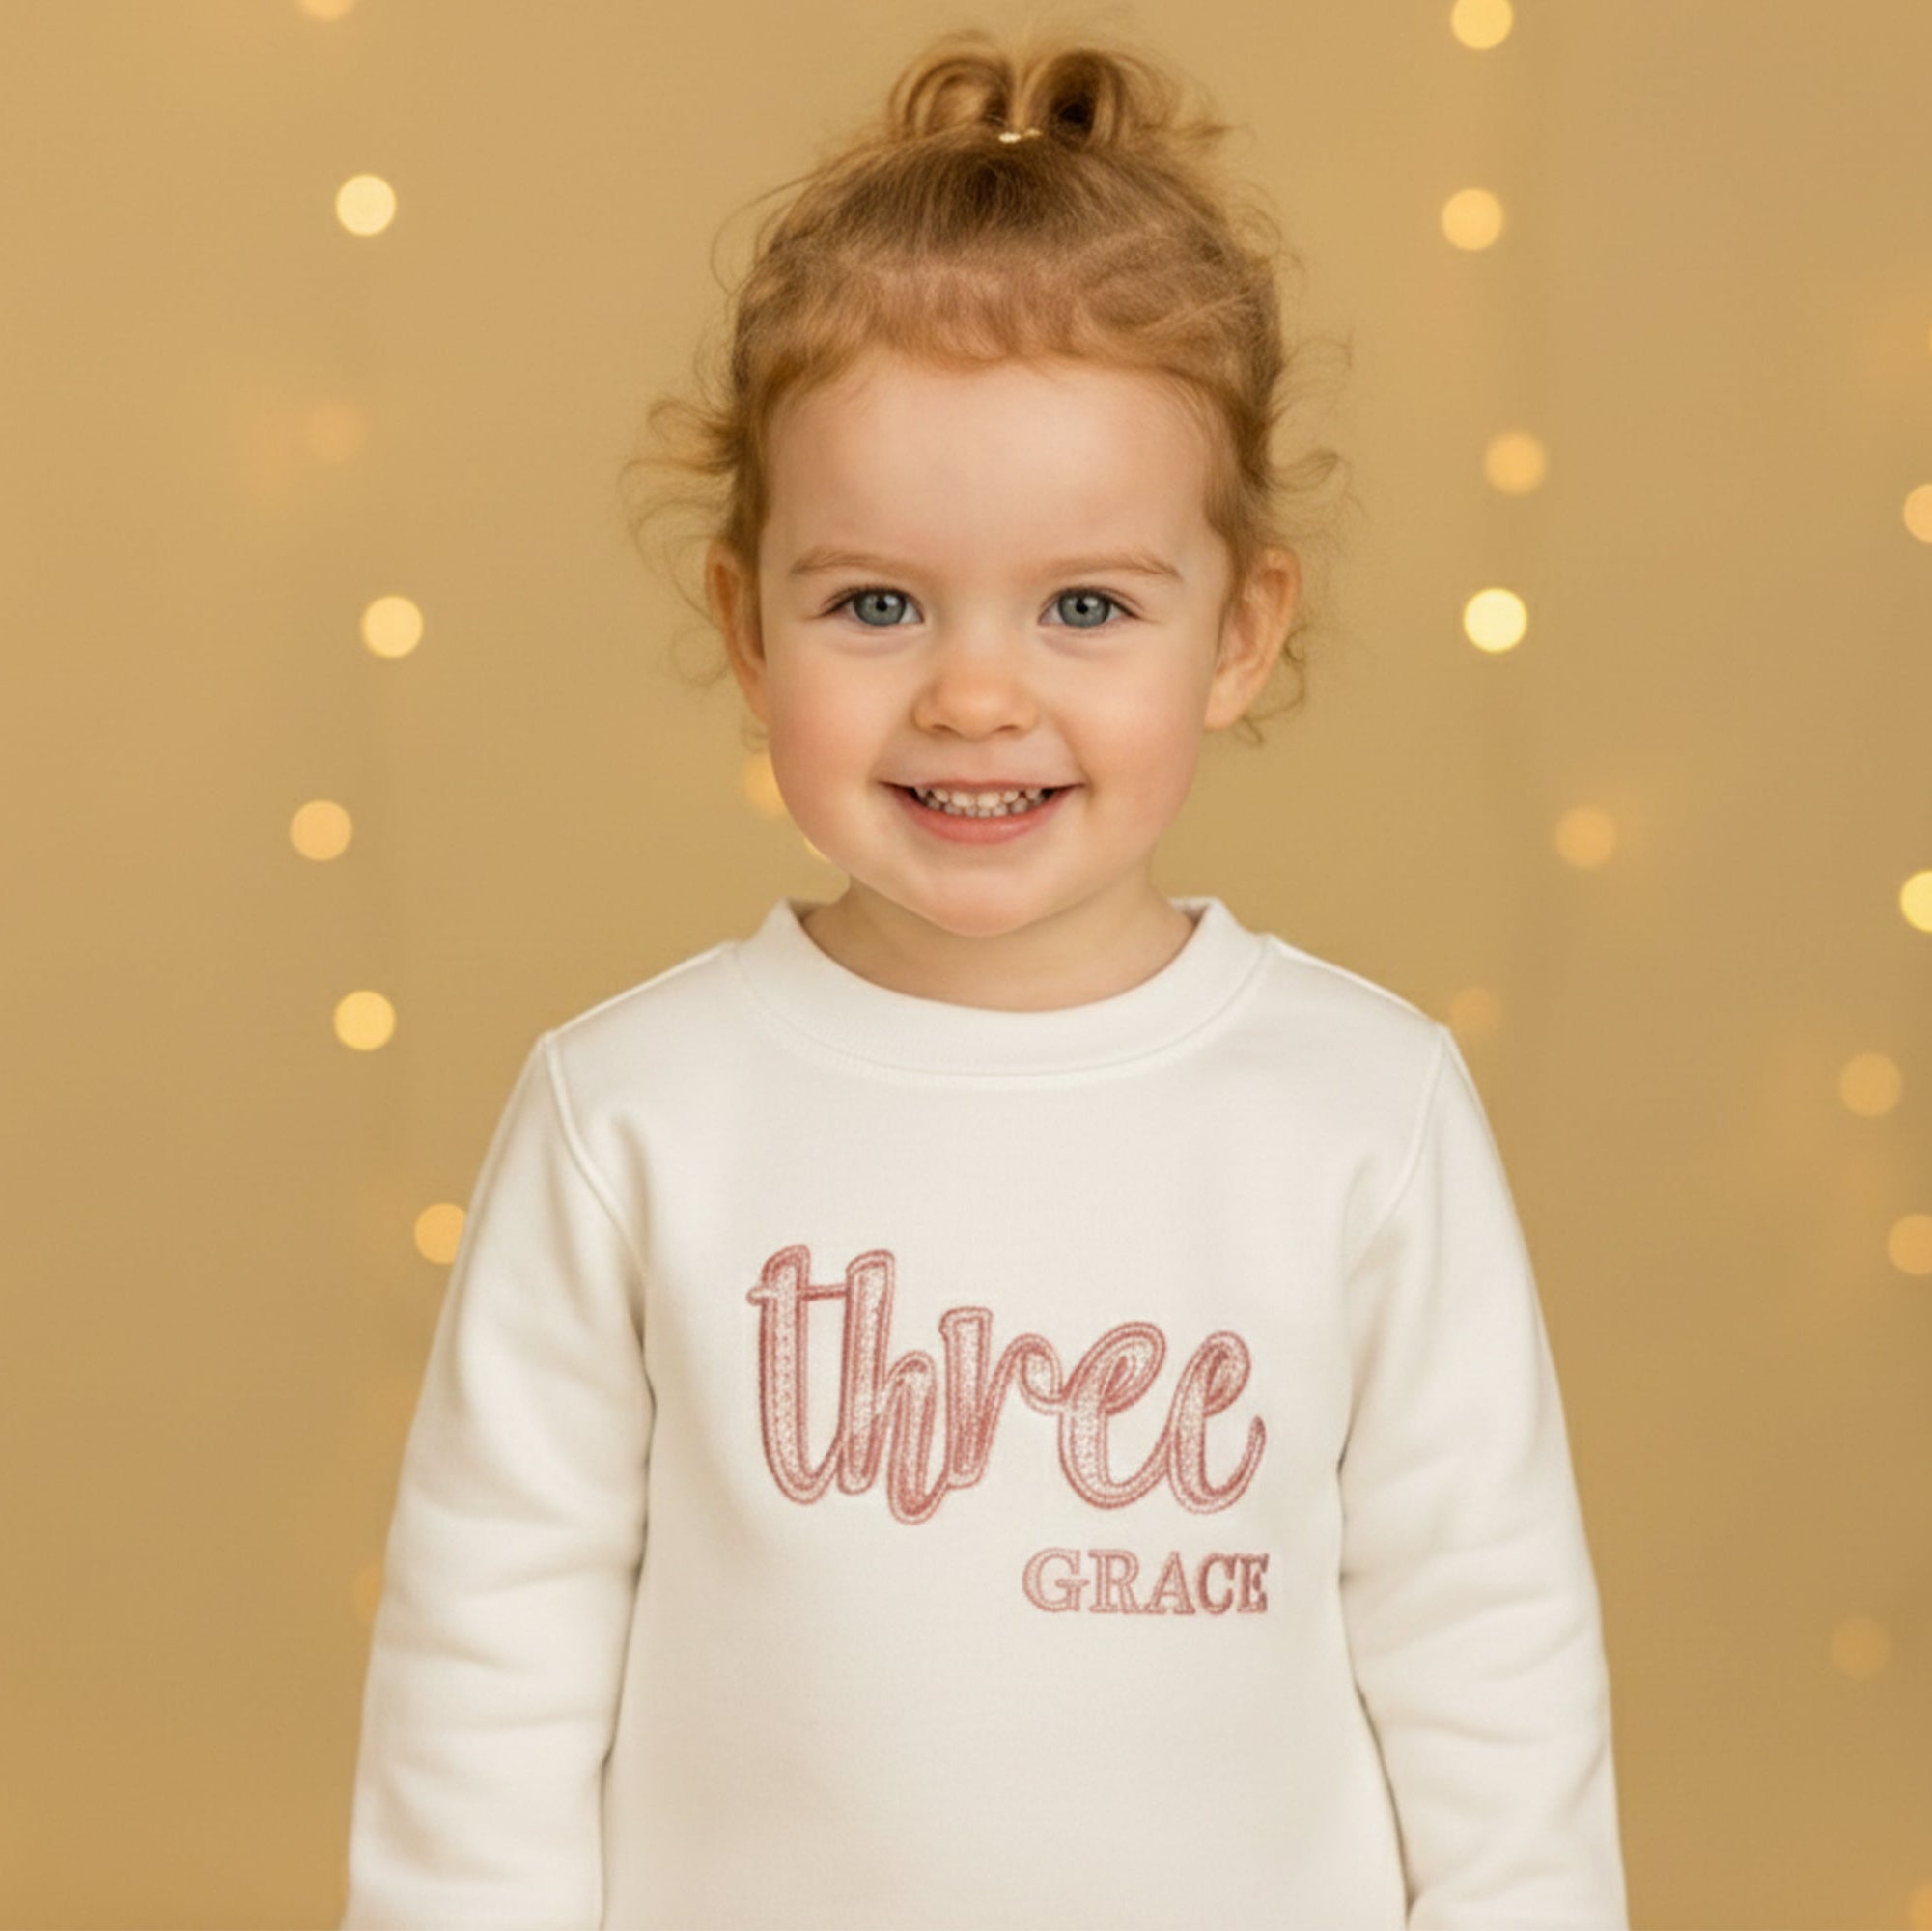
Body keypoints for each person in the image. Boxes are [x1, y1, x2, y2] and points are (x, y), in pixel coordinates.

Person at [339, 25, 1628, 1931]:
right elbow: (486, 1672)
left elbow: (1487, 1667)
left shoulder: (1359, 1107)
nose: (973, 691)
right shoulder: (631, 1117)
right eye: (874, 601)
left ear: (1237, 631)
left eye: (1084, 605)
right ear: (743, 620)